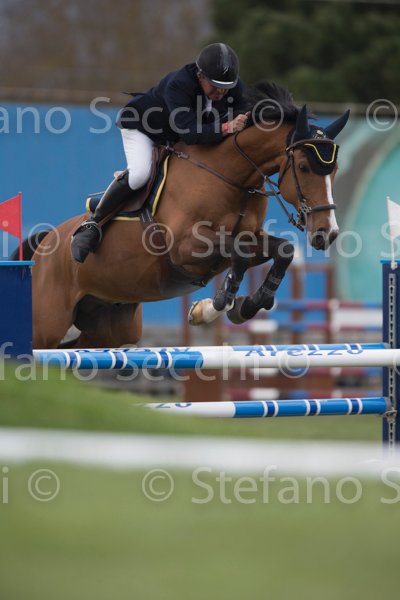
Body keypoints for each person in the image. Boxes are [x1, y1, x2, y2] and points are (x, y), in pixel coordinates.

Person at [71, 43, 250, 263]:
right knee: (140, 175)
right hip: (143, 128)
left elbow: (244, 110)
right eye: (215, 86)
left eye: (226, 87)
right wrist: (227, 127)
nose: (221, 92)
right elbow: (190, 134)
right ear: (200, 75)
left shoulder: (230, 86)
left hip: (174, 135)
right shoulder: (179, 84)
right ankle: (92, 224)